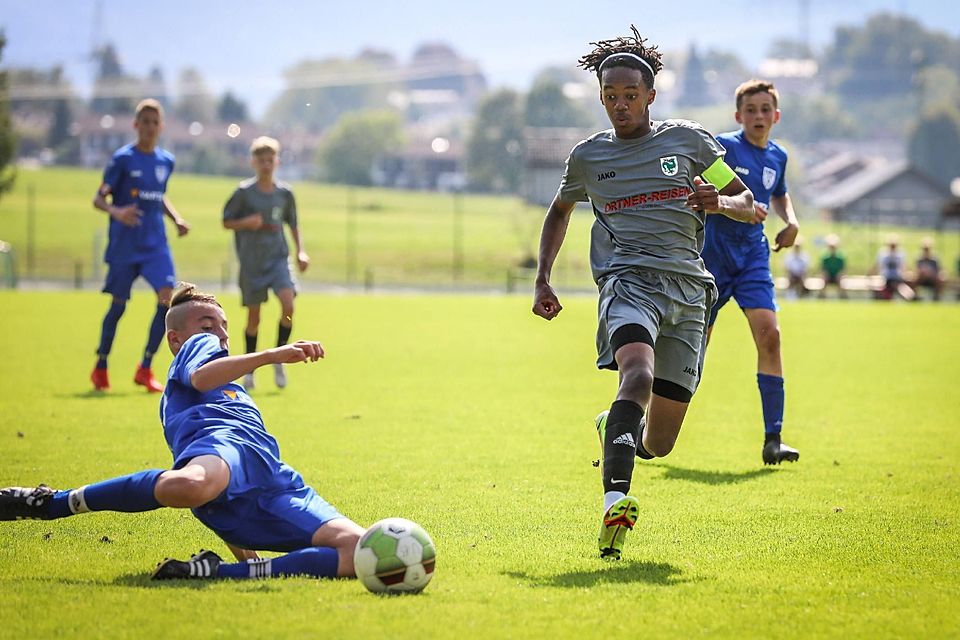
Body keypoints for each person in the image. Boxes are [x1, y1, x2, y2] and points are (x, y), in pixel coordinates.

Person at [531, 26, 755, 560]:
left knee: (659, 442)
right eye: (610, 97)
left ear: (650, 96)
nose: (620, 105)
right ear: (601, 97)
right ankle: (615, 504)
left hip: (689, 289)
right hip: (627, 281)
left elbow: (746, 201)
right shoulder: (588, 158)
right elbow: (560, 210)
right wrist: (543, 277)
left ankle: (618, 427)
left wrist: (718, 204)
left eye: (630, 96)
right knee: (637, 374)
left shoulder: (691, 143)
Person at [1, 283, 365, 581]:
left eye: (223, 326)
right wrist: (271, 354)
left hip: (276, 479)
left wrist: (245, 555)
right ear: (177, 339)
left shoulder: (224, 379)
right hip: (225, 449)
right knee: (190, 484)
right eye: (207, 325)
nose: (220, 335)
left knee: (359, 551)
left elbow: (222, 478)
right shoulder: (199, 351)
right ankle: (53, 502)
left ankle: (219, 573)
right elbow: (202, 382)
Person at [700, 79, 800, 467]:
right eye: (751, 110)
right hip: (713, 254)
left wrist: (789, 221)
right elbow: (703, 194)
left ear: (775, 115)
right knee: (695, 348)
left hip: (753, 255)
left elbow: (779, 192)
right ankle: (648, 425)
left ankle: (773, 438)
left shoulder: (779, 155)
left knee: (770, 336)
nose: (758, 116)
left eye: (765, 110)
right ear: (738, 115)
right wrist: (735, 207)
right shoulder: (722, 147)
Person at [90, 98, 190, 393]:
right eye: (144, 121)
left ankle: (145, 367)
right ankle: (101, 365)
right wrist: (117, 211)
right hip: (125, 245)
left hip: (155, 244)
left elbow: (158, 197)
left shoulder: (165, 161)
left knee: (166, 299)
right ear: (135, 125)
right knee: (118, 306)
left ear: (161, 126)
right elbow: (98, 199)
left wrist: (177, 219)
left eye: (154, 122)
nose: (149, 127)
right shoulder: (122, 159)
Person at [222, 136, 309, 390]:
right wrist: (245, 223)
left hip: (278, 260)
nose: (266, 164)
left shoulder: (285, 194)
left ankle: (280, 357)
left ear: (277, 162)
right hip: (252, 263)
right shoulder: (243, 193)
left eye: (270, 159)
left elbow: (293, 223)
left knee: (288, 305)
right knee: (254, 318)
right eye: (261, 160)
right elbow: (226, 221)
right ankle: (249, 370)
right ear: (253, 162)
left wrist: (301, 252)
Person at [876, 237, 914, 301]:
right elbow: (879, 266)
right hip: (887, 278)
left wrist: (906, 274)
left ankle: (910, 296)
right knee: (896, 286)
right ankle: (909, 296)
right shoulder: (884, 254)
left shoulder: (900, 254)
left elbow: (903, 267)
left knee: (902, 285)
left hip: (897, 278)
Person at [819, 234, 847, 299]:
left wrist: (840, 275)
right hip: (828, 276)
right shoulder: (825, 257)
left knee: (840, 280)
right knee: (824, 279)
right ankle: (822, 296)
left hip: (837, 277)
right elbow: (823, 269)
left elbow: (843, 269)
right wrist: (825, 275)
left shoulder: (840, 257)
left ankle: (843, 297)